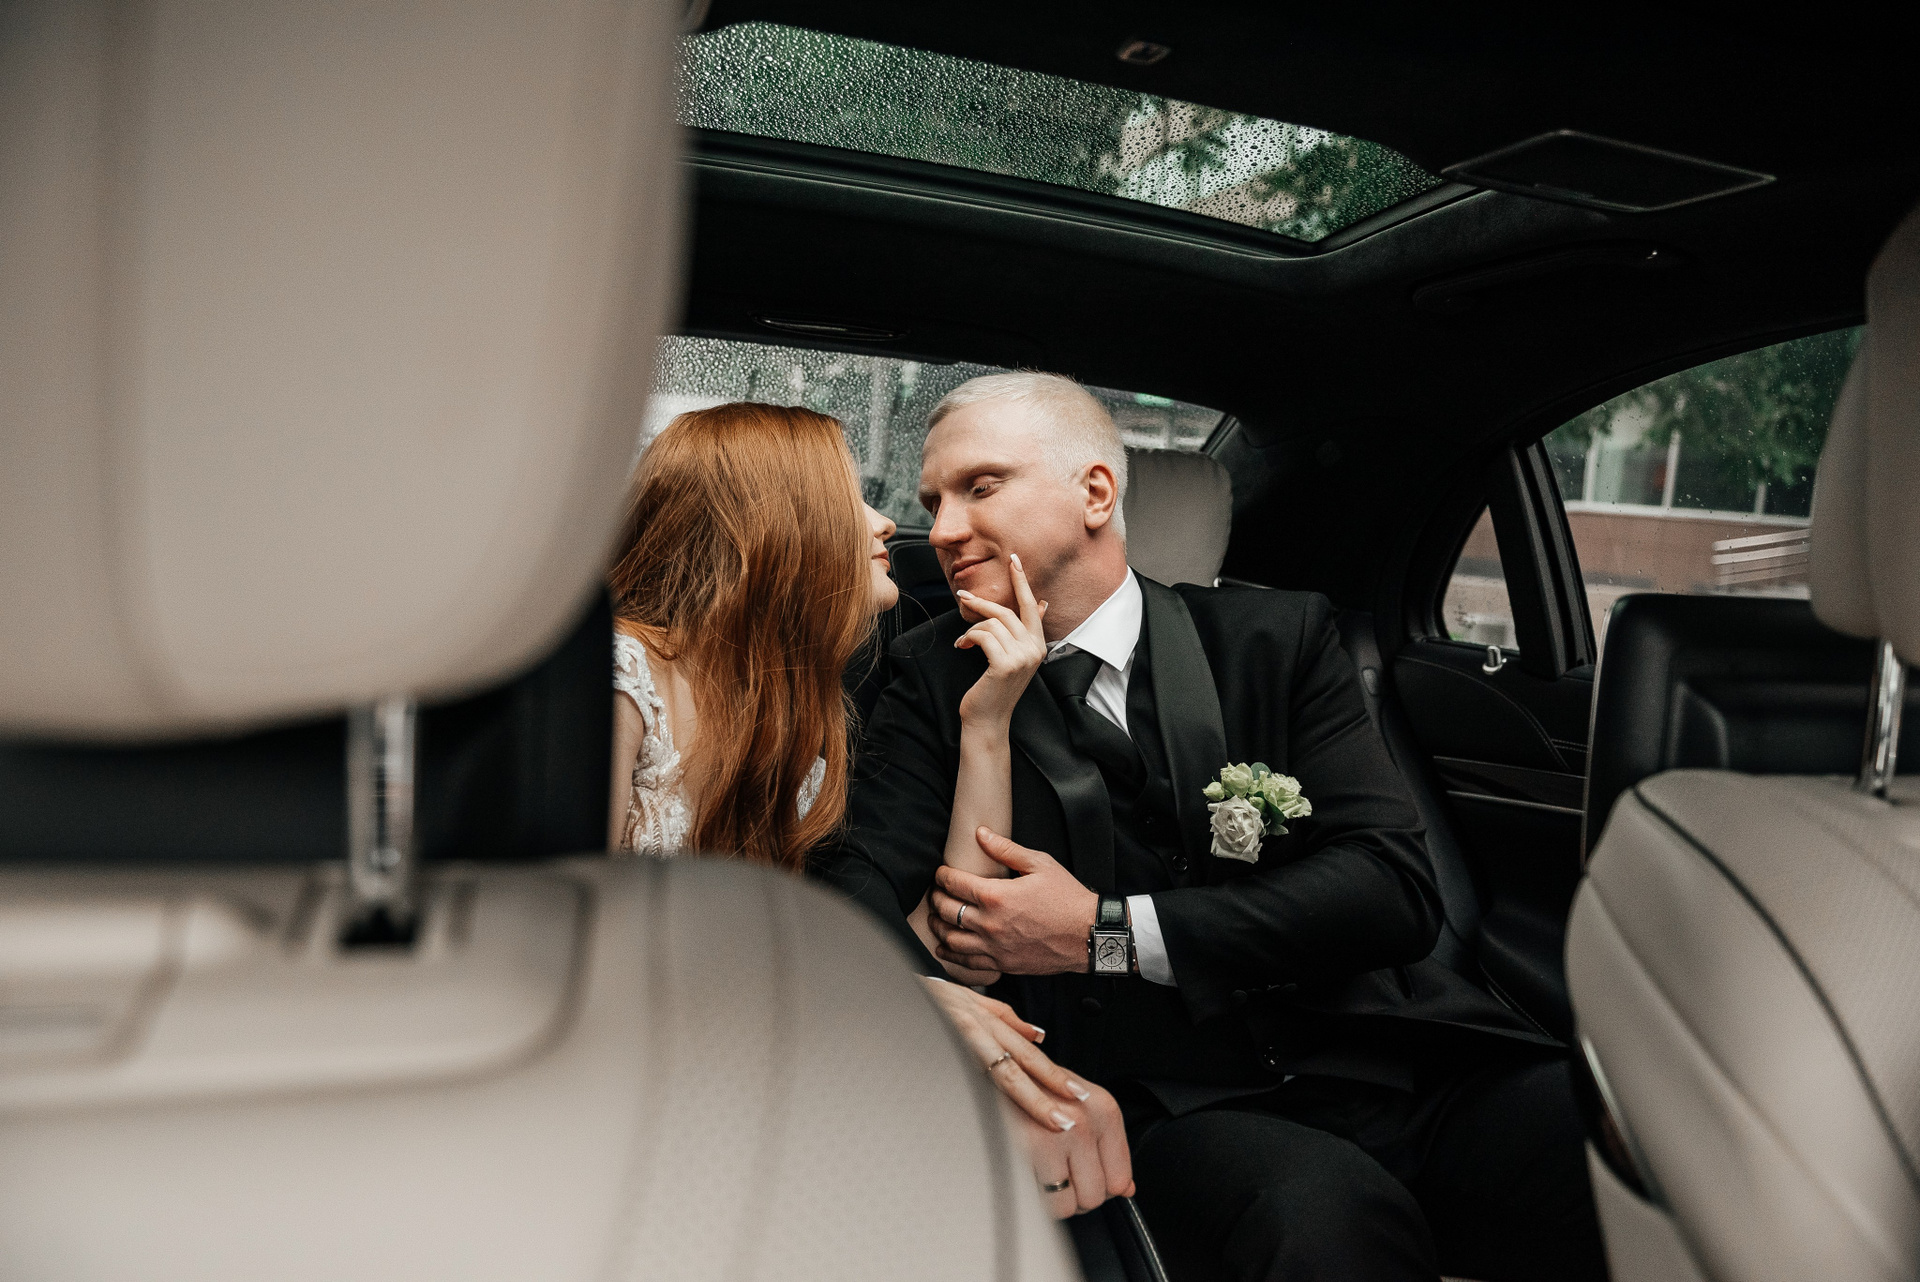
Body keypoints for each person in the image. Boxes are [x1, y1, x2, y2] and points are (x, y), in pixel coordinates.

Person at [812, 372, 1608, 1280]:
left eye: (979, 487)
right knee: (1323, 1217)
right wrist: (960, 1042)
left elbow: (1391, 889)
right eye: (933, 503)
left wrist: (1103, 933)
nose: (944, 529)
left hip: (1392, 1064)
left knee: (1636, 1139)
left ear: (1095, 494)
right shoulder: (927, 677)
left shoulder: (1276, 639)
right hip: (1170, 1111)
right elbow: (853, 895)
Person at [605, 401, 1136, 1213]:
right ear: (772, 521)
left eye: (980, 489)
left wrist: (987, 724)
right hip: (624, 1066)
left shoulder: (787, 723)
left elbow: (959, 950)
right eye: (849, 494)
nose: (891, 522)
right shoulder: (618, 676)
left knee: (1046, 1121)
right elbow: (570, 943)